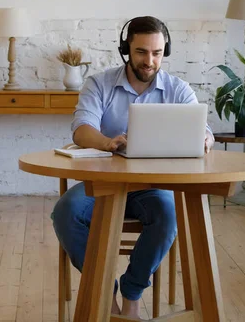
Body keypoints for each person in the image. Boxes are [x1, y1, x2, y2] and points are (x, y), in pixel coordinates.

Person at [51, 16, 214, 318]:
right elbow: (81, 129)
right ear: (126, 49)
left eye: (157, 53)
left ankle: (132, 293)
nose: (149, 60)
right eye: (141, 52)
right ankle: (103, 291)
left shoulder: (178, 89)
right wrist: (108, 142)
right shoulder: (99, 84)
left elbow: (204, 130)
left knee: (168, 215)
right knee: (65, 213)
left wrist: (203, 138)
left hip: (151, 189)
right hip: (101, 187)